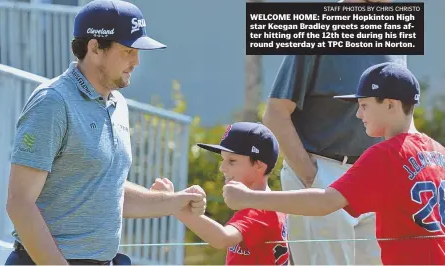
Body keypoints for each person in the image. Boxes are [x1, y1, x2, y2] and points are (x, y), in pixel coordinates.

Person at [5, 1, 206, 265]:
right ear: (95, 48)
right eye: (127, 51)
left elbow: (106, 190)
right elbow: (19, 203)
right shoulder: (52, 102)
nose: (136, 61)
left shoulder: (117, 103)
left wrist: (173, 201)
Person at [224, 62, 445, 265]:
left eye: (364, 105)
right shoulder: (439, 152)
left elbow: (325, 202)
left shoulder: (385, 154)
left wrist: (249, 198)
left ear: (389, 104)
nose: (358, 114)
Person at [261, 1, 403, 264]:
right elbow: (275, 113)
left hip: (377, 174)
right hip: (323, 171)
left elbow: (400, 114)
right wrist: (313, 178)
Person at [151, 122, 291, 265]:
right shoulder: (270, 206)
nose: (222, 168)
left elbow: (222, 238)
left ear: (259, 165)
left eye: (232, 161)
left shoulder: (259, 210)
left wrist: (175, 206)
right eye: (223, 159)